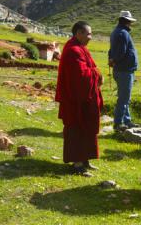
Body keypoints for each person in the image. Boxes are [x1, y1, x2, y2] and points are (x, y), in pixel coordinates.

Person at [55, 21, 103, 177]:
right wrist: (97, 74)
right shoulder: (74, 51)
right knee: (76, 128)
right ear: (78, 33)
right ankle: (77, 163)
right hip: (76, 100)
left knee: (87, 128)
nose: (90, 37)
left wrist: (94, 72)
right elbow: (81, 77)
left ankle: (86, 160)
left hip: (83, 99)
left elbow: (89, 70)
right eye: (88, 34)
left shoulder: (80, 49)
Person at [108, 10, 139, 131]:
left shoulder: (116, 32)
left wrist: (112, 59)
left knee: (124, 96)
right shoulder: (123, 33)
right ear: (128, 22)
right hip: (124, 70)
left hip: (120, 70)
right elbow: (121, 52)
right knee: (124, 98)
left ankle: (127, 120)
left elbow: (112, 50)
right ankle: (118, 123)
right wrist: (114, 59)